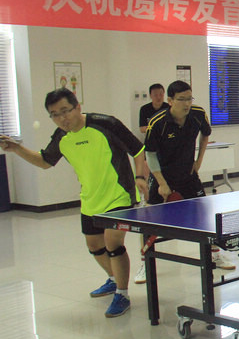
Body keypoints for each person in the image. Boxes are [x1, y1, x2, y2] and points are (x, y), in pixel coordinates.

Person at [0, 89, 149, 317]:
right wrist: (17, 148)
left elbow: (138, 149)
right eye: (54, 114)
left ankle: (122, 293)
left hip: (119, 194)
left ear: (77, 107)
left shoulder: (105, 124)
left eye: (65, 111)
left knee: (113, 243)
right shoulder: (61, 137)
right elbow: (45, 161)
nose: (62, 118)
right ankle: (113, 279)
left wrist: (140, 177)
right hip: (90, 199)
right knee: (94, 246)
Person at [142, 80, 234, 273]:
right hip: (162, 175)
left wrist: (199, 160)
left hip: (188, 174)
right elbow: (149, 154)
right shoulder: (157, 122)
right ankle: (145, 262)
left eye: (189, 98)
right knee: (149, 219)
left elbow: (205, 135)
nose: (187, 103)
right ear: (170, 101)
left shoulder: (198, 114)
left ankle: (215, 254)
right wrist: (161, 183)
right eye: (181, 99)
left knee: (205, 215)